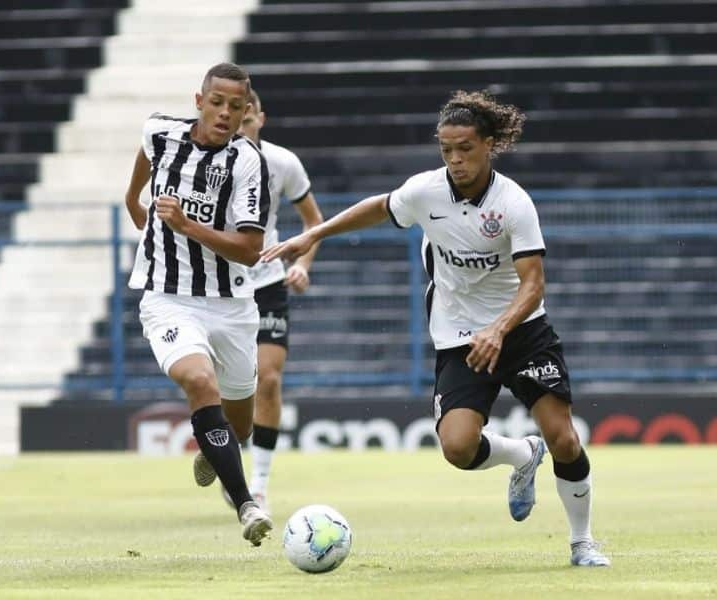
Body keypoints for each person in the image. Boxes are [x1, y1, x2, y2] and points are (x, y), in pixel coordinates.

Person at [262, 90, 610, 567]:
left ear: (488, 144)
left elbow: (533, 285)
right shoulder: (426, 191)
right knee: (457, 448)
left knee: (565, 439)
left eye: (465, 148)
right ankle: (520, 455)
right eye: (446, 149)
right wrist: (312, 234)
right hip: (459, 336)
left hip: (523, 331)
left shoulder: (513, 203)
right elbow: (379, 207)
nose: (455, 159)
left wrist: (499, 329)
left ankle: (582, 542)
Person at [124, 62, 273, 546]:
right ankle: (247, 504)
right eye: (217, 103)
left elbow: (250, 249)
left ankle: (218, 445)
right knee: (197, 379)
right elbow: (139, 180)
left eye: (237, 106)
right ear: (199, 100)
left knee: (241, 422)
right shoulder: (159, 133)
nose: (226, 113)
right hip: (167, 297)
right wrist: (136, 206)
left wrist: (189, 227)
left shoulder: (247, 162)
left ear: (246, 111)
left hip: (230, 303)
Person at [223, 89, 324, 513]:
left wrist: (303, 264)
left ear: (260, 119)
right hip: (219, 287)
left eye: (247, 122)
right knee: (229, 390)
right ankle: (221, 439)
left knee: (268, 378)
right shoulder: (211, 164)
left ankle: (257, 484)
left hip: (267, 280)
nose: (240, 130)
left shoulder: (283, 163)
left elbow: (313, 222)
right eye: (234, 123)